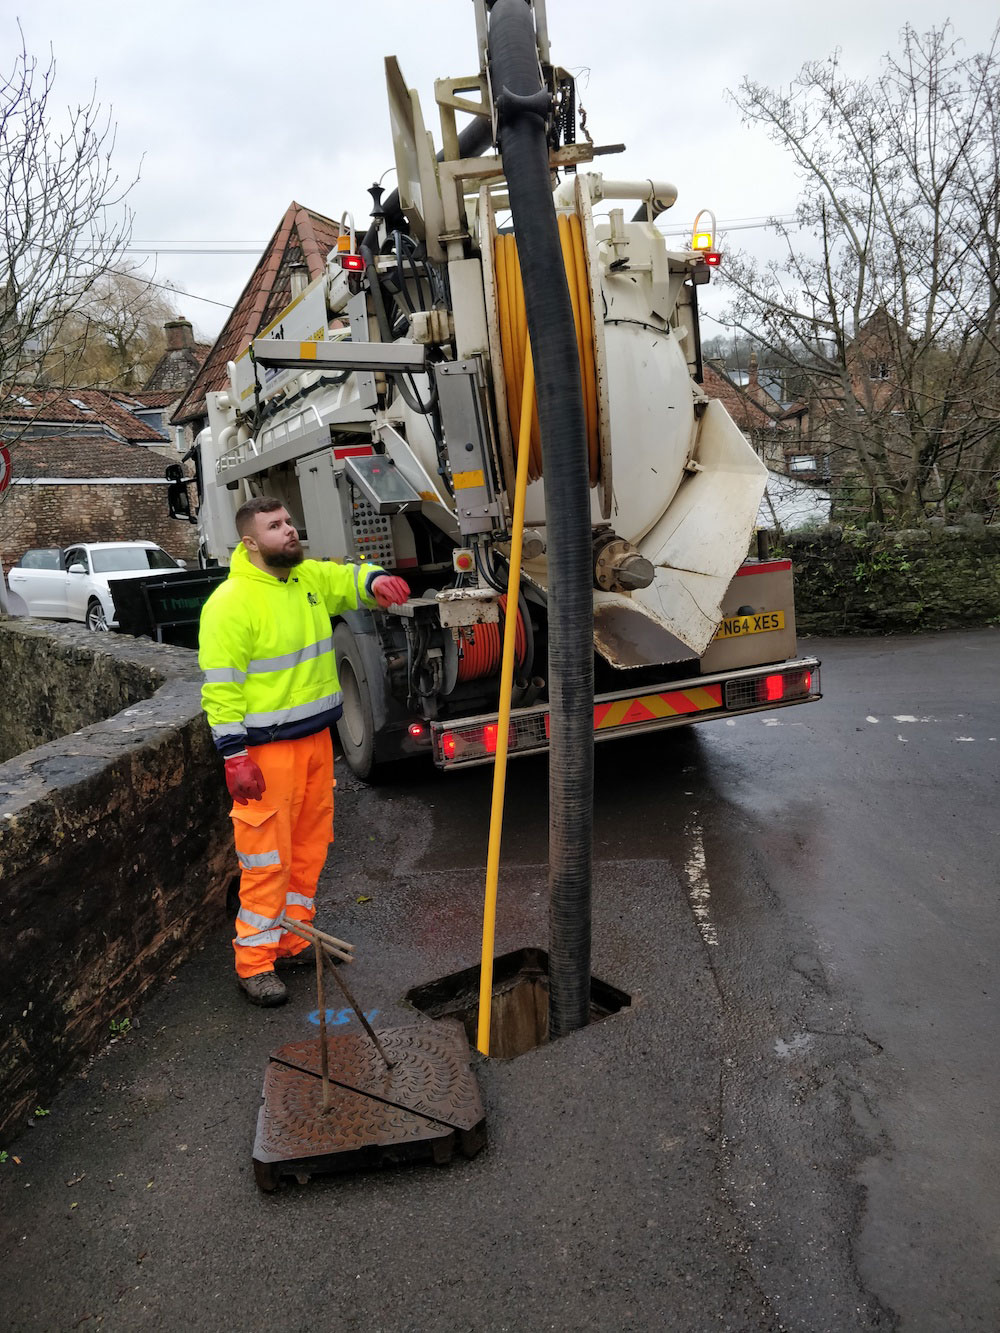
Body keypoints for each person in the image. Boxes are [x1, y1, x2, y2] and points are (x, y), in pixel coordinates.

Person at [198, 496, 410, 1006]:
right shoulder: (229, 604)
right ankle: (254, 963)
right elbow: (221, 690)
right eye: (275, 526)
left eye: (290, 521)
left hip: (315, 742)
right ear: (250, 543)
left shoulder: (307, 578)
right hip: (266, 754)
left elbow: (345, 580)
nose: (290, 531)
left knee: (310, 849)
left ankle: (294, 939)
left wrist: (375, 580)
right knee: (267, 860)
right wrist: (234, 756)